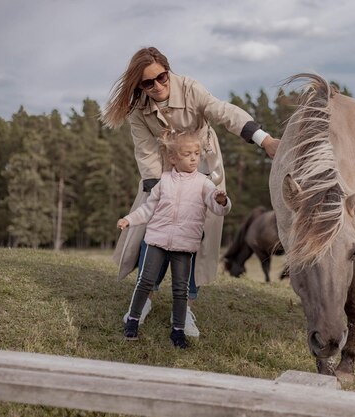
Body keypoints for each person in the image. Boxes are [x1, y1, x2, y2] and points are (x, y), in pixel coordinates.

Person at [101, 46, 279, 336]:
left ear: (168, 72)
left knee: (193, 237)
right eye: (148, 83)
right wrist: (162, 195)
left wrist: (265, 140)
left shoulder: (190, 89)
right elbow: (146, 155)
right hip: (163, 176)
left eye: (162, 77)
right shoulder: (138, 113)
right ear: (139, 86)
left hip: (202, 172)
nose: (158, 86)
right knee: (153, 233)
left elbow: (224, 113)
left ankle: (186, 310)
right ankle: (144, 298)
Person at [117, 130, 231, 348]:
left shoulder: (204, 184)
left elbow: (218, 208)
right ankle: (133, 320)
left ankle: (178, 331)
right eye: (187, 154)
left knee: (181, 290)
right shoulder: (164, 181)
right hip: (156, 242)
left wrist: (222, 201)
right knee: (145, 282)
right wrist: (129, 220)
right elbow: (148, 209)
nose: (193, 158)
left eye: (197, 153)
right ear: (173, 158)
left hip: (184, 246)